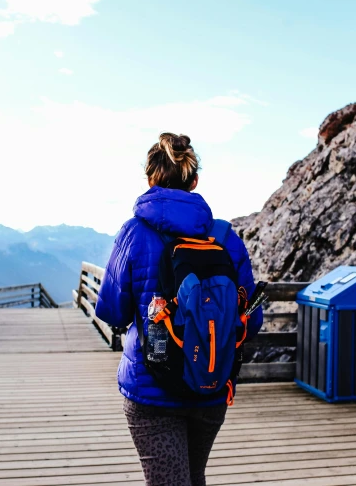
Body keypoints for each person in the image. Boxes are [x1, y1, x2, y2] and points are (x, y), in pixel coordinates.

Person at [95, 132, 263, 486]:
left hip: (152, 387)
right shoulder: (225, 238)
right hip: (211, 383)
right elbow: (251, 318)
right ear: (195, 180)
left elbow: (112, 311)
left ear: (150, 178)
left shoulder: (133, 233)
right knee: (193, 476)